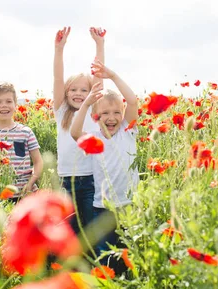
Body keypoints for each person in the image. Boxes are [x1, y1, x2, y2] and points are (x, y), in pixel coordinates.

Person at [70, 60, 139, 274]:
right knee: (105, 251)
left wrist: (113, 76)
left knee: (128, 249)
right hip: (103, 206)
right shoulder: (94, 138)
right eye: (105, 114)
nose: (111, 118)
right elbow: (74, 132)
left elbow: (133, 101)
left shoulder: (128, 132)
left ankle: (126, 280)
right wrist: (87, 102)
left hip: (129, 203)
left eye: (116, 113)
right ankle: (108, 280)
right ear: (95, 117)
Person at [53, 26, 106, 234]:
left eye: (84, 90)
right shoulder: (61, 110)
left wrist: (99, 45)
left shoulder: (93, 108)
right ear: (66, 94)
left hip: (92, 178)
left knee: (92, 228)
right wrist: (59, 49)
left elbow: (98, 77)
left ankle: (92, 263)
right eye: (73, 90)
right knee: (68, 229)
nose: (78, 94)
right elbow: (58, 79)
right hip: (67, 180)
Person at [0, 82, 43, 203]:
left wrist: (31, 183)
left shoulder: (26, 132)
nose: (4, 105)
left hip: (25, 193)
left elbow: (38, 161)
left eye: (8, 101)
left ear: (15, 105)